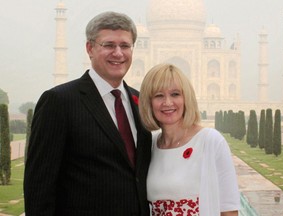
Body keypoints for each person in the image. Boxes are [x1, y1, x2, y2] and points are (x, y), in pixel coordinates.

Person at [24, 11, 152, 216]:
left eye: (125, 46)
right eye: (109, 45)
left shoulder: (141, 102)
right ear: (90, 48)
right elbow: (39, 185)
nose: (118, 53)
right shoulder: (60, 101)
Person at [139, 63, 240, 216]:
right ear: (149, 102)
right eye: (159, 95)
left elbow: (229, 209)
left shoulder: (210, 141)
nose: (167, 102)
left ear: (186, 98)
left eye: (175, 94)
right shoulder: (150, 145)